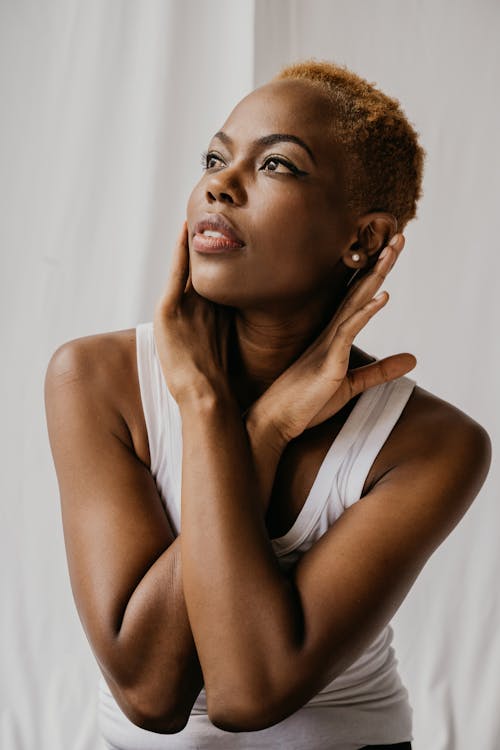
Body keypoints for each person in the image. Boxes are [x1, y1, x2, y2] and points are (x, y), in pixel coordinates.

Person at [45, 60, 491, 750]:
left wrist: (255, 426)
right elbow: (148, 693)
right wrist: (219, 409)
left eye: (277, 165)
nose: (219, 184)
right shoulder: (94, 378)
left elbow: (248, 691)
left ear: (364, 239)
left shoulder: (431, 443)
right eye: (215, 158)